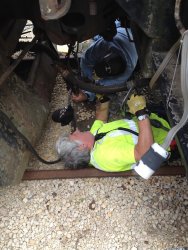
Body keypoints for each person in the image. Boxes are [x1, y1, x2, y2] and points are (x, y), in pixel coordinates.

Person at [56, 94, 170, 171]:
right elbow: (144, 154)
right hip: (168, 134)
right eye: (75, 134)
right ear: (81, 147)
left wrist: (102, 97)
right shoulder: (105, 155)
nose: (77, 130)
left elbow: (100, 119)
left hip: (153, 120)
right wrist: (140, 113)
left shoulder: (93, 138)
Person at [72, 20, 138, 103]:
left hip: (133, 39)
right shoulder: (105, 45)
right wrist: (86, 77)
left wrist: (87, 95)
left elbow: (102, 86)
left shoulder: (126, 73)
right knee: (100, 33)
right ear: (105, 56)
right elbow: (85, 60)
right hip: (120, 29)